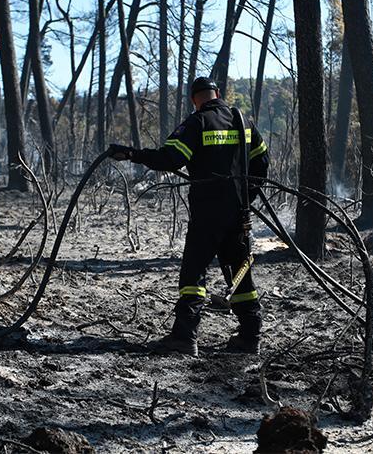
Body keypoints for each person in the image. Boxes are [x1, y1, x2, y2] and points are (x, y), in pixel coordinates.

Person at [109, 77, 269, 356]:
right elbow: (262, 162)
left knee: (194, 273)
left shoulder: (198, 123)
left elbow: (169, 159)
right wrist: (246, 197)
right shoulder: (243, 121)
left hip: (207, 214)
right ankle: (250, 335)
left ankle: (185, 336)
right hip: (237, 214)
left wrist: (132, 154)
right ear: (217, 93)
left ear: (194, 99)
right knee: (240, 274)